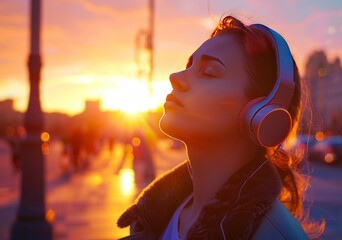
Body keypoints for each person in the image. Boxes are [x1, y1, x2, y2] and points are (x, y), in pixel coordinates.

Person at [117, 15, 324, 239]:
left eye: (208, 72)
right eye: (188, 66)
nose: (175, 77)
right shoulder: (149, 216)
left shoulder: (275, 236)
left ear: (261, 114)